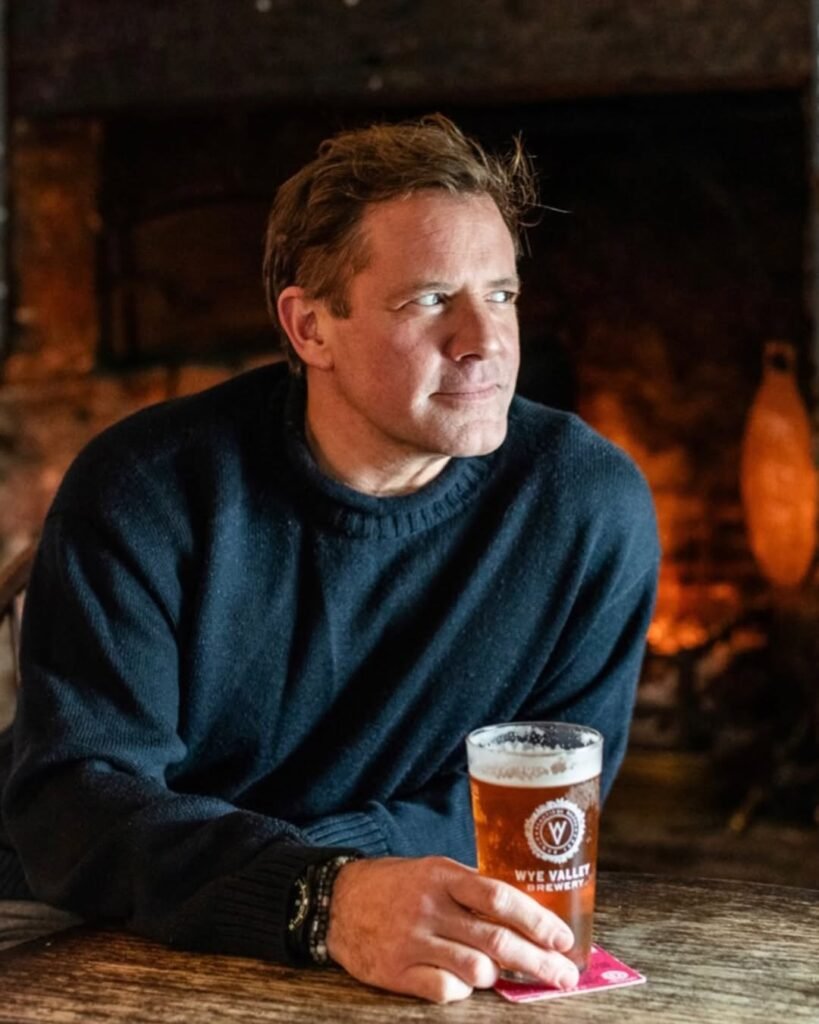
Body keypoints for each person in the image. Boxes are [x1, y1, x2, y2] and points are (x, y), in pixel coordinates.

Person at [0, 114, 659, 1003]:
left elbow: (545, 813)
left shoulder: (586, 504)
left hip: (373, 945)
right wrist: (326, 893)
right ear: (310, 327)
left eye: (499, 294)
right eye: (428, 299)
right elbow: (76, 807)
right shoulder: (144, 491)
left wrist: (337, 887)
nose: (484, 341)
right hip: (71, 930)